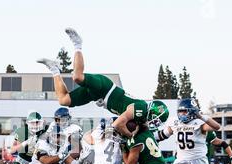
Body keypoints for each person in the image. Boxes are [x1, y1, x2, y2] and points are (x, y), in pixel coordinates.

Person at [37, 27, 167, 138]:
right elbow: (118, 124)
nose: (153, 123)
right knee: (77, 77)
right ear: (153, 112)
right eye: (155, 120)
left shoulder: (141, 119)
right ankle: (77, 44)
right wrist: (131, 136)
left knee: (63, 100)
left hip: (99, 97)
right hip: (105, 88)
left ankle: (54, 69)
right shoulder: (142, 108)